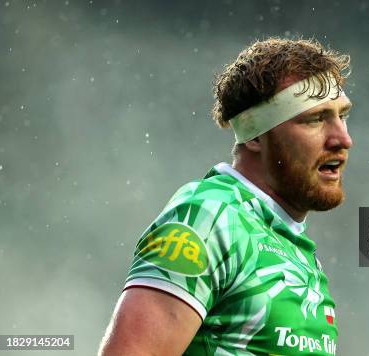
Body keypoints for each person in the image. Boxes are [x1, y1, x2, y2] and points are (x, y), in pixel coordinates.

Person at [98, 37, 353, 355]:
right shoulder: (208, 219)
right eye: (315, 119)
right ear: (256, 135)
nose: (343, 138)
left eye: (342, 115)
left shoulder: (291, 245)